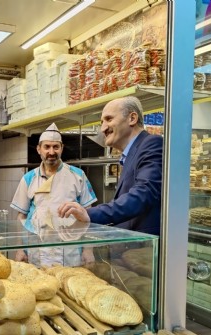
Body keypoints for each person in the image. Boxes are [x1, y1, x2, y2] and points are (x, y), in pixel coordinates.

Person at [58, 96, 163, 236]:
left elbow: (144, 193)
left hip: (145, 248)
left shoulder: (151, 144)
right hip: (132, 247)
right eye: (102, 122)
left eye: (109, 119)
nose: (103, 128)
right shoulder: (131, 154)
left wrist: (90, 214)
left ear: (132, 118)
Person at [10, 123, 98, 267]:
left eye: (55, 147)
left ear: (62, 148)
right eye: (47, 147)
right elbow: (21, 216)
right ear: (39, 149)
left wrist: (88, 249)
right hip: (38, 249)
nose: (51, 151)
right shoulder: (28, 178)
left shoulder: (78, 175)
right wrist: (19, 249)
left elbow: (89, 215)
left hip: (70, 250)